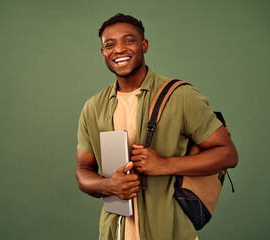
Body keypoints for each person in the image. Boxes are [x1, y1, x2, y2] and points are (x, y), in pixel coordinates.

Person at [76, 13, 238, 240]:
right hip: (114, 233)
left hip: (172, 232)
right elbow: (83, 171)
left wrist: (164, 164)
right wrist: (109, 186)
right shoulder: (93, 107)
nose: (119, 49)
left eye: (128, 40)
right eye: (109, 45)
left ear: (144, 45)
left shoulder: (180, 96)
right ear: (103, 53)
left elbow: (228, 154)